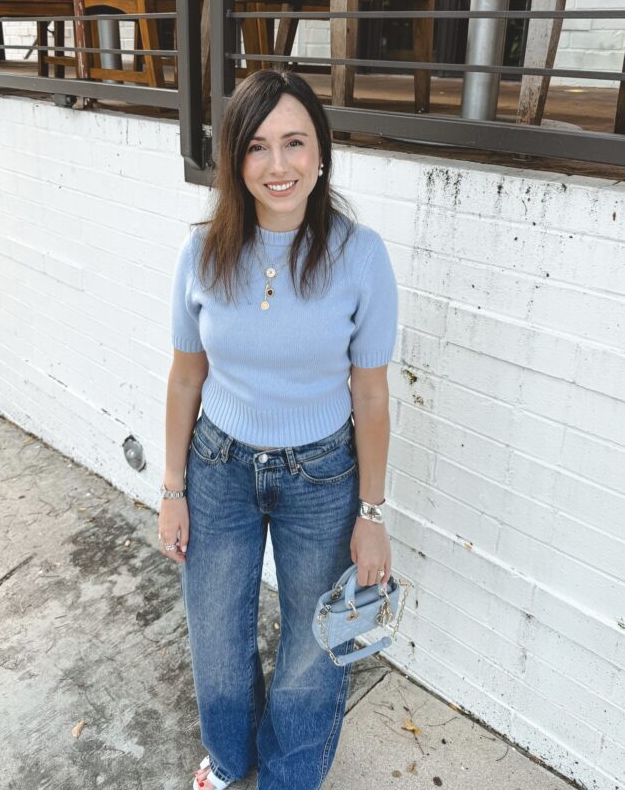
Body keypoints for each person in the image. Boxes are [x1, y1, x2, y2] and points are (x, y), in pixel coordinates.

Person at [159, 70, 398, 790]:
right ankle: (232, 761)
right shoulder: (202, 253)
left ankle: (291, 776)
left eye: (294, 143)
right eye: (257, 147)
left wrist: (372, 512)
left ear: (320, 153)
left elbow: (371, 393)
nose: (278, 165)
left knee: (313, 646)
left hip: (322, 479)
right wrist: (172, 489)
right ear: (235, 159)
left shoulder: (360, 255)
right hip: (218, 467)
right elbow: (184, 379)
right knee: (217, 639)